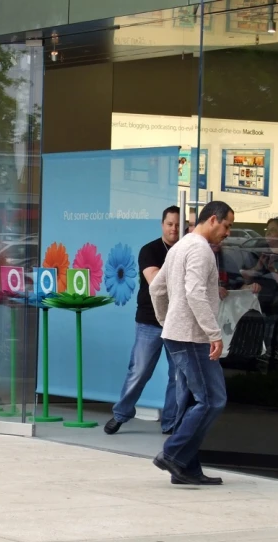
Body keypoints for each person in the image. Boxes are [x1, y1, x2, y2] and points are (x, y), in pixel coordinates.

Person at [149, 200, 234, 486]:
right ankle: (173, 454)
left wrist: (166, 320)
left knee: (192, 402)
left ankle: (187, 468)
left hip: (178, 333)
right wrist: (214, 333)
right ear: (213, 220)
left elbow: (156, 288)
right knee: (212, 400)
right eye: (227, 225)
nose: (228, 232)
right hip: (192, 336)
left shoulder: (179, 247)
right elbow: (196, 293)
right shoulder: (199, 249)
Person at [104, 206, 180, 436]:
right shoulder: (150, 250)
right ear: (162, 224)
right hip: (150, 321)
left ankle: (171, 423)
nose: (174, 229)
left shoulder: (188, 250)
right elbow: (155, 281)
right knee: (140, 371)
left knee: (178, 375)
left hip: (178, 322)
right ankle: (120, 415)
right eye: (170, 224)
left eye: (178, 225)